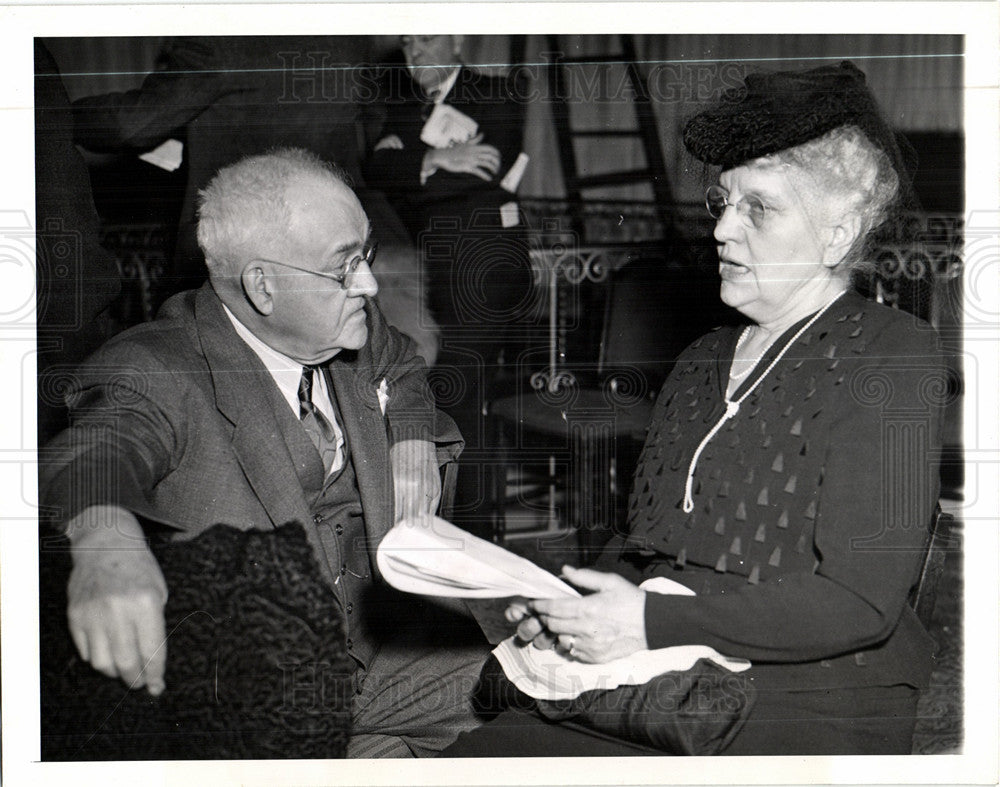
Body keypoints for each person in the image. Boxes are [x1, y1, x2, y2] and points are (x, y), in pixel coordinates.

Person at [443, 61, 947, 756]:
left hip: (812, 692)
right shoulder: (702, 356)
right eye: (723, 202)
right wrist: (580, 607)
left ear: (838, 234)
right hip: (670, 674)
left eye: (759, 208)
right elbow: (644, 545)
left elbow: (859, 600)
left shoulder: (892, 355)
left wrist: (647, 621)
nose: (722, 230)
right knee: (481, 753)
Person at [39, 148, 489, 758]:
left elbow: (402, 360)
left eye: (367, 255)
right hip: (252, 697)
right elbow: (94, 452)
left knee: (550, 680)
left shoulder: (345, 320)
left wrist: (410, 438)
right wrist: (107, 545)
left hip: (382, 655)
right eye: (345, 266)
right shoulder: (154, 368)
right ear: (262, 285)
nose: (370, 283)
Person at [67, 35, 438, 363]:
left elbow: (130, 125)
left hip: (249, 242)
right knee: (391, 360)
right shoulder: (346, 35)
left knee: (216, 372)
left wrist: (55, 112)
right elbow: (372, 121)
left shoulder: (221, 40)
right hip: (356, 236)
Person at [363, 35, 535, 536]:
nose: (415, 52)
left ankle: (470, 533)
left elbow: (489, 177)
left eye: (427, 38)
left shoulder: (500, 94)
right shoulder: (403, 105)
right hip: (430, 269)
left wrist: (409, 163)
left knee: (460, 394)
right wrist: (436, 159)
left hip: (484, 270)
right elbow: (374, 169)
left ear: (458, 40)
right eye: (408, 41)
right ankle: (444, 528)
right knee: (434, 393)